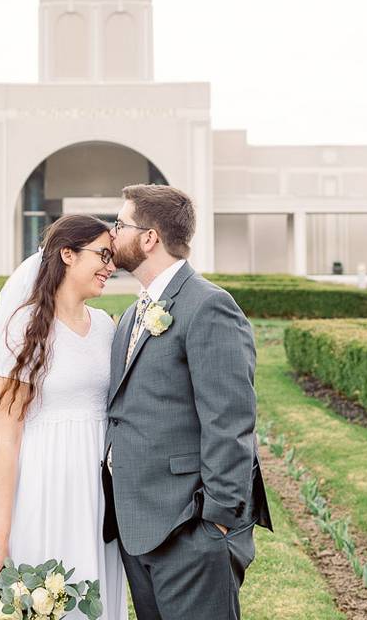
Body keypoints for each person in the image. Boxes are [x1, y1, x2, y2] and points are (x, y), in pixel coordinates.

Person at [102, 184, 273, 620]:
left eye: (120, 224)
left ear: (149, 238)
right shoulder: (134, 314)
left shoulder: (209, 306)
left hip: (190, 531)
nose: (111, 233)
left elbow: (230, 422)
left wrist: (215, 523)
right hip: (137, 528)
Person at [0, 214, 129, 620]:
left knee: (97, 600)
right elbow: (7, 439)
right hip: (44, 489)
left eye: (112, 256)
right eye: (103, 254)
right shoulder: (24, 330)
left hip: (100, 494)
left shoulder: (105, 327)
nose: (111, 266)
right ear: (67, 254)